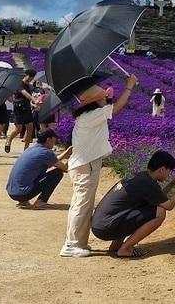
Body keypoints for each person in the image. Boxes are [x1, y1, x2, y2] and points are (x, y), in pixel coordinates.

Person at [61, 75, 138, 258]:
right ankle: (72, 244)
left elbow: (111, 106)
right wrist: (129, 87)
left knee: (82, 204)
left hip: (85, 165)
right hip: (85, 166)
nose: (105, 97)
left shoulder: (89, 115)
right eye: (102, 96)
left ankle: (78, 242)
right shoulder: (92, 116)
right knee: (82, 204)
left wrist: (110, 96)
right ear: (94, 101)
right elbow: (116, 108)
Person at [91, 150, 175, 259]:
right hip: (106, 228)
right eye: (169, 171)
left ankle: (116, 246)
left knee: (133, 208)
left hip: (99, 225)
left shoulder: (142, 177)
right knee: (160, 212)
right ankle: (125, 249)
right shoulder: (147, 184)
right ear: (162, 169)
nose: (169, 174)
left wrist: (173, 183)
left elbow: (159, 198)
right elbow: (169, 206)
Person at [7, 130, 72, 208]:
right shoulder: (46, 152)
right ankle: (41, 201)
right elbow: (65, 169)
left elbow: (52, 161)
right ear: (48, 139)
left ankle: (23, 202)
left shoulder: (31, 149)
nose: (55, 142)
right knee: (57, 173)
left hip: (12, 192)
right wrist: (74, 158)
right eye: (54, 139)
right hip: (23, 193)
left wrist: (66, 153)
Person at [7, 72, 37, 153]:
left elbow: (27, 98)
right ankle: (9, 141)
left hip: (27, 108)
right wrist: (34, 100)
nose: (30, 79)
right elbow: (24, 93)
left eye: (32, 77)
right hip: (19, 108)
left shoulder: (29, 85)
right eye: (30, 77)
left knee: (30, 127)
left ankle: (26, 149)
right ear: (26, 75)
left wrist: (32, 105)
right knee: (18, 129)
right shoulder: (19, 83)